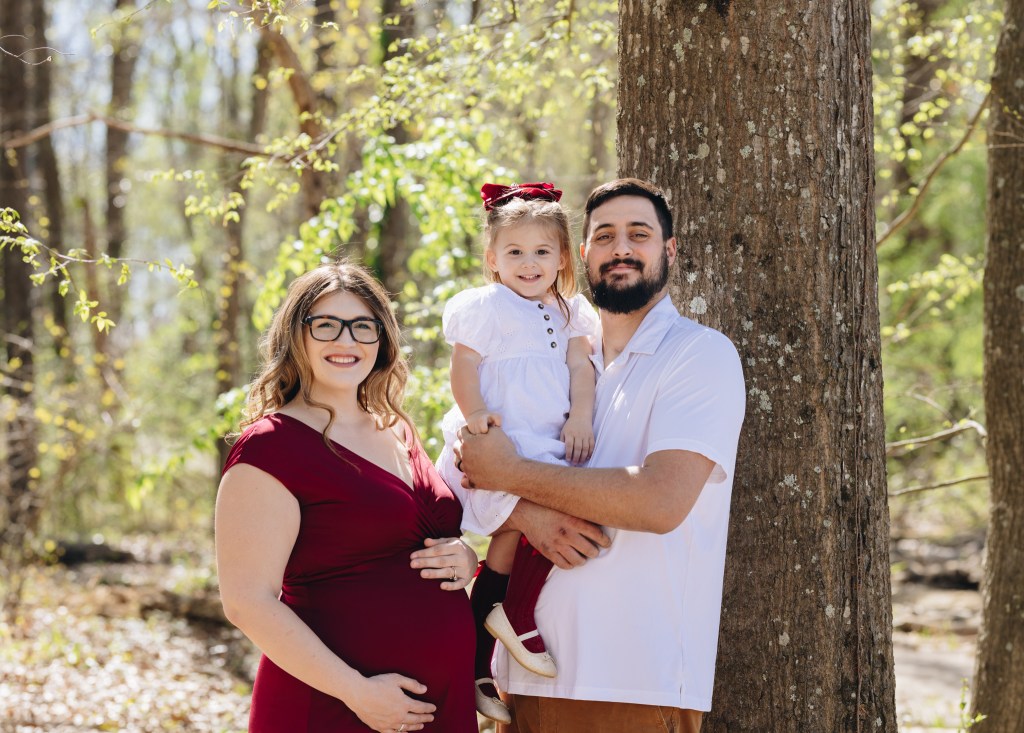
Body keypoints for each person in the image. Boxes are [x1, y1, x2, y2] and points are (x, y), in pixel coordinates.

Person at [456, 178, 747, 733]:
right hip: (523, 682)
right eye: (605, 236)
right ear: (583, 253)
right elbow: (478, 468)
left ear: (669, 249)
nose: (621, 248)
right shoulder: (554, 360)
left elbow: (660, 501)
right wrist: (523, 509)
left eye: (639, 234)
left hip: (629, 685)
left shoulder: (698, 354)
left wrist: (511, 472)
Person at [215, 262, 479, 733]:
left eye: (362, 326)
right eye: (326, 325)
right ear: (296, 336)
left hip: (440, 704)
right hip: (335, 707)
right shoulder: (272, 447)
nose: (346, 340)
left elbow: (412, 542)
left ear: (382, 338)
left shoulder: (397, 429)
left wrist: (465, 557)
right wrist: (356, 691)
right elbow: (246, 602)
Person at [434, 181, 602, 724]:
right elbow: (463, 366)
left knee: (512, 545)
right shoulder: (485, 307)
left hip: (550, 438)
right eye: (514, 252)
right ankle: (514, 619)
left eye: (541, 251)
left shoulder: (572, 312)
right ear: (492, 258)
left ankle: (480, 664)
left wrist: (580, 416)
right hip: (503, 437)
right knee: (529, 525)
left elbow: (581, 369)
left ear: (562, 257)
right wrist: (475, 412)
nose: (529, 263)